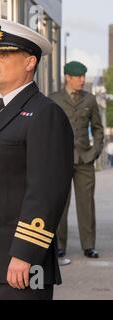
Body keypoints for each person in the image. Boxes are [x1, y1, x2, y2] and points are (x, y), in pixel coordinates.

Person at [0, 19, 74, 300]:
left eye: (4, 54)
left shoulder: (45, 113)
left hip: (20, 262)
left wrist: (26, 254)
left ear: (30, 62)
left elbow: (46, 193)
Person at [49, 61, 105, 259]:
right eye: (78, 76)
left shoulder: (89, 100)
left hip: (84, 160)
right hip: (61, 161)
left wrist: (94, 153)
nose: (82, 80)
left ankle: (89, 246)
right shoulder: (54, 99)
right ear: (67, 77)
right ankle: (59, 245)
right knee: (60, 204)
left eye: (83, 76)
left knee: (86, 203)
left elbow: (98, 129)